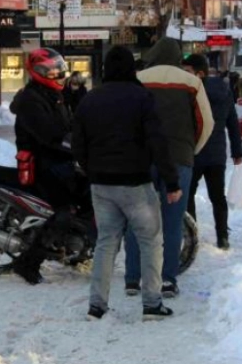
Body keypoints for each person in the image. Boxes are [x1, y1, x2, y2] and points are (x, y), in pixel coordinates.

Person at [73, 45, 181, 321]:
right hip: (136, 184)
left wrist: (92, 170)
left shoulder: (90, 100)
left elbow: (78, 145)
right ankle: (152, 303)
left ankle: (97, 306)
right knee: (150, 241)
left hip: (101, 185)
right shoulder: (142, 97)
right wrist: (171, 181)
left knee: (106, 243)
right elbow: (158, 141)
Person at [124, 37, 214, 298]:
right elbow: (205, 122)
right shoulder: (192, 83)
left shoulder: (138, 79)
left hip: (142, 160)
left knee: (136, 219)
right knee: (173, 221)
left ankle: (133, 277)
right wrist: (191, 149)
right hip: (179, 160)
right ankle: (167, 280)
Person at [8, 47, 77, 285]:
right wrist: (74, 146)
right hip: (43, 164)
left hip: (59, 159)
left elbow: (70, 126)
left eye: (60, 69)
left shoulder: (53, 95)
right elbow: (50, 136)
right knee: (65, 210)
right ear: (38, 73)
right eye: (52, 71)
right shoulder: (31, 100)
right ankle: (28, 262)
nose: (58, 75)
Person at [182, 54, 242, 250]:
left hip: (195, 152)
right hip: (217, 155)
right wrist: (236, 150)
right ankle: (222, 236)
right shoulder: (224, 90)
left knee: (188, 194)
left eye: (188, 71)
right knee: (218, 197)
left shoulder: (191, 92)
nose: (185, 75)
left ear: (199, 73)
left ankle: (192, 236)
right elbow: (233, 122)